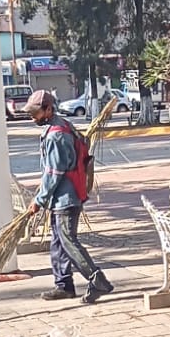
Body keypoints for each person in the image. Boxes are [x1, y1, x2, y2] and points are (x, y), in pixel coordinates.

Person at [25, 89, 114, 304]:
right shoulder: (60, 125)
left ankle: (97, 279)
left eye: (35, 113)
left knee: (68, 241)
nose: (32, 117)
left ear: (48, 109)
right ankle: (63, 285)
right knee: (58, 242)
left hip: (67, 197)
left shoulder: (57, 134)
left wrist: (39, 200)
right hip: (63, 197)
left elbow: (54, 173)